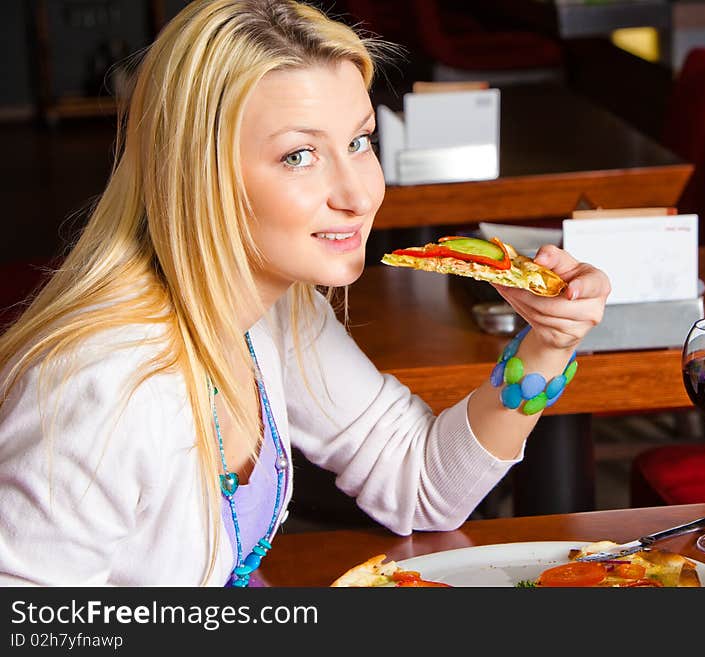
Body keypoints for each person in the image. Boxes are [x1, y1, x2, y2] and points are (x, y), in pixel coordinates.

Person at [0, 0, 610, 586]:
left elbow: (421, 484)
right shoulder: (101, 389)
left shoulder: (276, 311)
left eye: (359, 141)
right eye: (298, 155)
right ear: (195, 174)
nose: (357, 192)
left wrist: (548, 347)